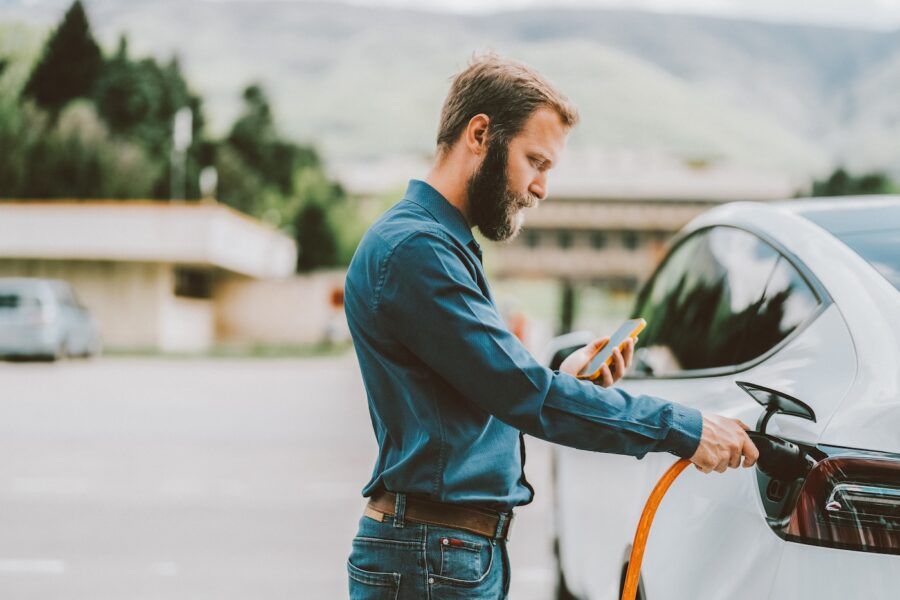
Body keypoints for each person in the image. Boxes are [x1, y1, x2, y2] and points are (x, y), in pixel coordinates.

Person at [343, 54, 759, 600]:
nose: (540, 188)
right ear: (480, 133)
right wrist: (683, 428)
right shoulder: (418, 250)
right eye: (535, 161)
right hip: (430, 558)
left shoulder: (436, 244)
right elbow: (521, 394)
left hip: (441, 553)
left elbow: (482, 390)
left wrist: (563, 374)